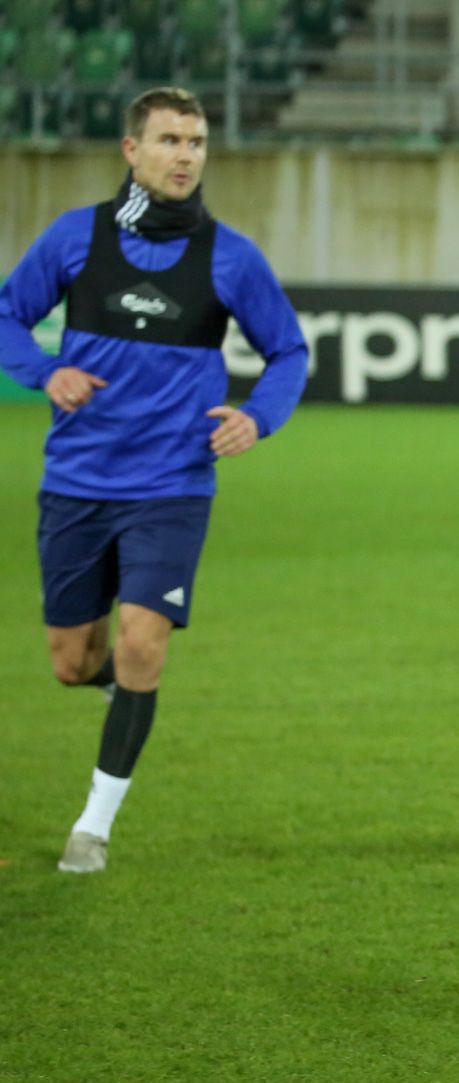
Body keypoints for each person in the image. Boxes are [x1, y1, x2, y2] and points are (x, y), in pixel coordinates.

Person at [0, 87, 309, 874]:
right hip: (76, 482)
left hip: (172, 487)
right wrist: (44, 371)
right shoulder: (77, 238)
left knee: (143, 641)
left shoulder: (231, 256)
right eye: (169, 140)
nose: (185, 156)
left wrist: (258, 416)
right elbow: (7, 316)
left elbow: (289, 352)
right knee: (72, 662)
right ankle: (117, 687)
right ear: (131, 151)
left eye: (197, 142)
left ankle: (92, 828)